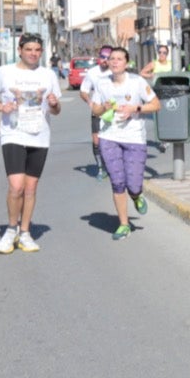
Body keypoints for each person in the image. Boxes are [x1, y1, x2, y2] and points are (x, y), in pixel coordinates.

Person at [0, 32, 63, 254]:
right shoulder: (5, 72)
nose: (33, 53)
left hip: (39, 136)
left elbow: (56, 111)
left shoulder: (48, 75)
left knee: (30, 188)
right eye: (28, 49)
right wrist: (2, 107)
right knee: (16, 186)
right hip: (13, 134)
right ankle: (10, 230)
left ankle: (25, 233)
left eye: (37, 50)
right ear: (20, 50)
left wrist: (54, 103)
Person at [87, 47, 161, 241]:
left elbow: (156, 105)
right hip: (109, 137)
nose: (115, 62)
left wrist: (135, 108)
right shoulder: (102, 84)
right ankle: (123, 224)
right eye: (112, 59)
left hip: (134, 138)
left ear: (126, 63)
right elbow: (95, 110)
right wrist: (104, 107)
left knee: (134, 185)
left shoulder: (137, 82)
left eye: (119, 59)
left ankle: (136, 196)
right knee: (117, 181)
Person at [78, 45, 114, 174]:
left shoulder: (116, 71)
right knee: (96, 141)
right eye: (102, 57)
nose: (104, 60)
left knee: (113, 140)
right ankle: (100, 168)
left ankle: (113, 166)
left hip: (113, 111)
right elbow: (83, 91)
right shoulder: (92, 72)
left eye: (108, 57)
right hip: (98, 110)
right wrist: (90, 102)